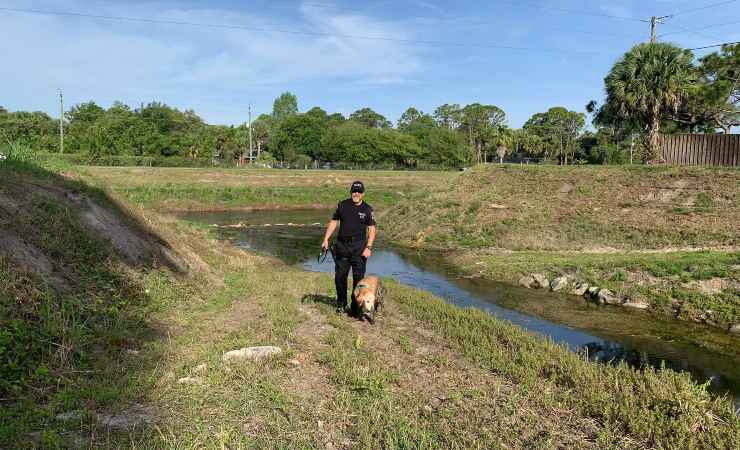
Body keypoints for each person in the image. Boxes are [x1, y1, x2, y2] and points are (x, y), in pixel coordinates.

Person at [321, 181, 376, 313]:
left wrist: (368, 247)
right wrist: (326, 239)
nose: (356, 193)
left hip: (359, 248)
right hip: (342, 247)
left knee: (358, 279)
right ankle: (341, 304)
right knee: (340, 277)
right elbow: (334, 222)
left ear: (363, 194)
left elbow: (372, 229)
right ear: (351, 192)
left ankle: (355, 306)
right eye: (354, 191)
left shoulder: (367, 209)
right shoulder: (342, 205)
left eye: (359, 191)